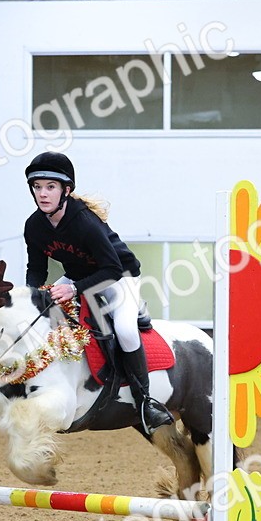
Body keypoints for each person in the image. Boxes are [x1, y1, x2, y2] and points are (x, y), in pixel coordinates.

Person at [21, 151, 174, 435]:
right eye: (37, 187)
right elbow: (36, 268)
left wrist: (74, 289)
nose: (43, 194)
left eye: (50, 187)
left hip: (118, 277)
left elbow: (112, 268)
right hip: (78, 277)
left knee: (126, 330)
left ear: (66, 190)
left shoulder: (84, 222)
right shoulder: (34, 225)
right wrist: (31, 295)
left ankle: (145, 403)